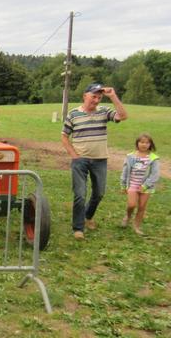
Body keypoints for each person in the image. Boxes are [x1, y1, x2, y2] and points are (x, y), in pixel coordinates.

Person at [61, 83, 128, 240]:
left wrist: (112, 96)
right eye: (93, 96)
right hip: (80, 160)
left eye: (99, 97)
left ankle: (88, 216)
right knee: (80, 194)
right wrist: (73, 155)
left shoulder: (104, 111)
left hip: (100, 160)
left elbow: (123, 116)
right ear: (85, 96)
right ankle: (78, 228)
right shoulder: (73, 114)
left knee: (99, 193)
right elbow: (64, 135)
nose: (96, 100)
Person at [120, 134, 160, 235]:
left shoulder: (153, 158)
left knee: (142, 207)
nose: (144, 144)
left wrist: (145, 186)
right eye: (142, 142)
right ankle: (128, 216)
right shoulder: (130, 156)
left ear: (150, 144)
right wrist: (123, 185)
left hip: (146, 187)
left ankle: (137, 226)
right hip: (132, 185)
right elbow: (125, 171)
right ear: (137, 143)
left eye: (147, 142)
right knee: (131, 205)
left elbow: (155, 175)